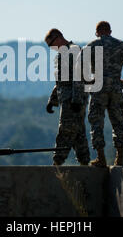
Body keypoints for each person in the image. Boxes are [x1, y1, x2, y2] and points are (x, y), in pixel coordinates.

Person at [84, 21, 123, 167]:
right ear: (110, 31)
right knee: (118, 122)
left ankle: (100, 158)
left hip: (98, 89)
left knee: (96, 122)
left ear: (97, 32)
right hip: (116, 88)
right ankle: (119, 157)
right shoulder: (120, 45)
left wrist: (88, 80)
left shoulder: (91, 45)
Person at [45, 28, 90, 166]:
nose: (51, 48)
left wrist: (76, 100)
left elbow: (79, 76)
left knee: (65, 129)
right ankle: (84, 163)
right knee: (78, 132)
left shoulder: (73, 51)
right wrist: (52, 100)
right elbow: (61, 81)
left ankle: (57, 163)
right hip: (68, 98)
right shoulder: (63, 53)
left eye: (51, 44)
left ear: (58, 38)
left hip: (73, 100)